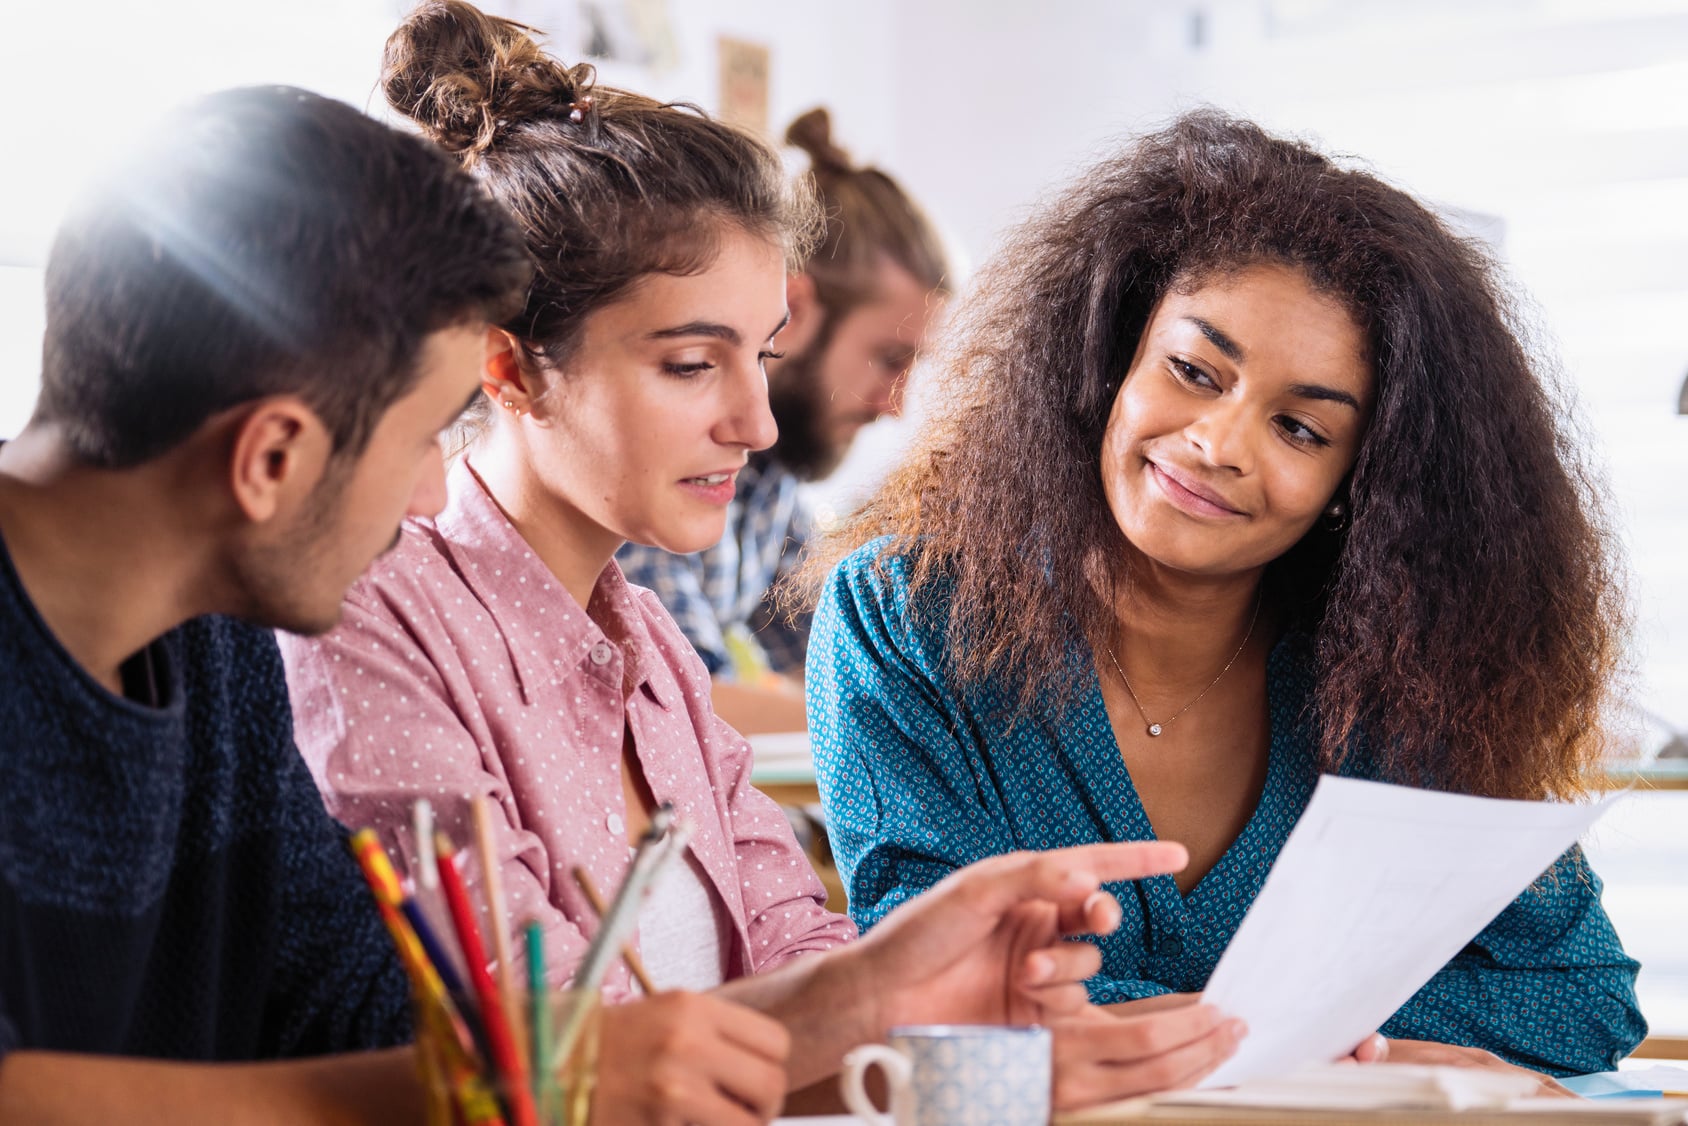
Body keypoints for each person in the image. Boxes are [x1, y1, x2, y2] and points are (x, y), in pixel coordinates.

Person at [0, 80, 1228, 1126]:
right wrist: (583, 1064)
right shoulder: (342, 619)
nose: (429, 491)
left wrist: (975, 1068)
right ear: (272, 458)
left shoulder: (228, 656)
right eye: (430, 435)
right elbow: (523, 1071)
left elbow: (420, 1048)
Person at [804, 110, 1648, 1081]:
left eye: (1298, 428)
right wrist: (1316, 1030)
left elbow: (1581, 992)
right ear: (1110, 355)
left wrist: (1304, 1036)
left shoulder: (1403, 668)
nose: (1217, 442)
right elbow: (940, 991)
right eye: (1192, 371)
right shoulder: (903, 615)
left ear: (1363, 482)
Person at [615, 106, 951, 734]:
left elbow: (836, 660)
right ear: (792, 311)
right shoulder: (669, 460)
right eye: (888, 359)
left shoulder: (774, 479)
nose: (895, 404)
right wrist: (893, 730)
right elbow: (678, 703)